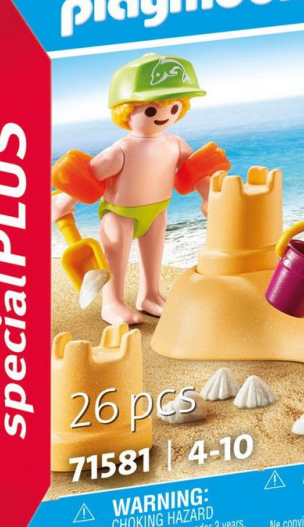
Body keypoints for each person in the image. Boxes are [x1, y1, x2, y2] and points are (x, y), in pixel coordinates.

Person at [51, 53, 229, 325]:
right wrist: (66, 200)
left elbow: (193, 171)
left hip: (157, 211)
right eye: (151, 110)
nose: (165, 116)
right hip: (119, 214)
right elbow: (89, 178)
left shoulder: (175, 143)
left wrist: (208, 195)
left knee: (153, 255)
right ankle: (112, 303)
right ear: (125, 111)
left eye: (174, 108)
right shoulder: (121, 150)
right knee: (115, 258)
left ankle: (150, 295)